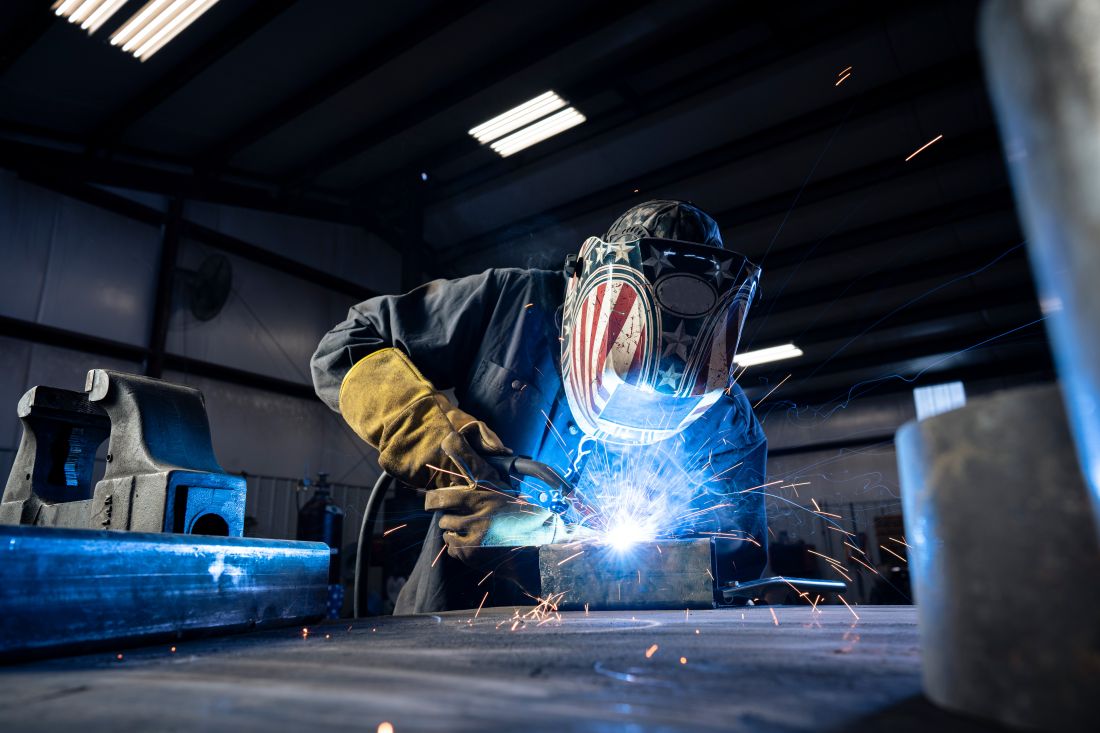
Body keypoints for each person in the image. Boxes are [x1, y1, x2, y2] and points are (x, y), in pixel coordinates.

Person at [311, 200, 768, 613]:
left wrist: (556, 553)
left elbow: (734, 564)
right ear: (585, 294)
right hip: (454, 615)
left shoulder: (725, 418)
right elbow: (345, 347)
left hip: (626, 646)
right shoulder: (514, 304)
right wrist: (440, 444)